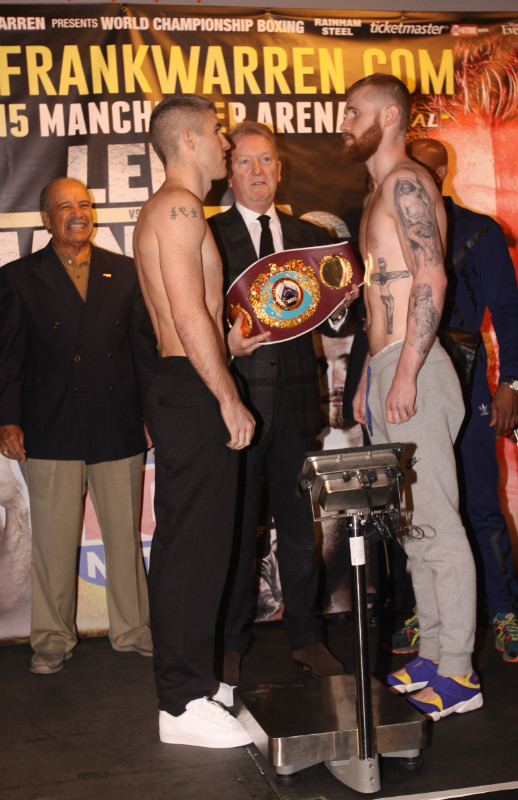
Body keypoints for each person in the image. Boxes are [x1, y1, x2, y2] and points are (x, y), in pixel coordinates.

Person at [343, 74, 482, 720]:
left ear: (390, 115)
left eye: (353, 111)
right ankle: (432, 655)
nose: (342, 123)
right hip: (389, 368)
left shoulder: (403, 183)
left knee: (436, 524)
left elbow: (430, 273)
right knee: (410, 526)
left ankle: (458, 671)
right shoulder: (377, 191)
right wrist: (369, 380)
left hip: (414, 369)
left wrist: (405, 371)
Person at [209, 121, 356, 686]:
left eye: (266, 160)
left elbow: (333, 312)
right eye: (245, 162)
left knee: (300, 531)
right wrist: (226, 343)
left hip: (295, 404)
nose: (258, 172)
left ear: (280, 167)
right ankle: (226, 643)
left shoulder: (304, 235)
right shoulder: (211, 234)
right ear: (229, 172)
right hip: (237, 406)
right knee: (235, 531)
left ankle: (307, 639)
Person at [133, 95, 256, 749]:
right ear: (185, 139)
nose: (226, 144)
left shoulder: (176, 211)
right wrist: (227, 396)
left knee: (203, 543)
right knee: (191, 545)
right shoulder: (178, 208)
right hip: (189, 389)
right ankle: (178, 705)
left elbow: (198, 320)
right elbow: (185, 317)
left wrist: (231, 352)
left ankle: (191, 689)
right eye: (216, 133)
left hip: (187, 383)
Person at [0, 177, 156, 674]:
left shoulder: (126, 273)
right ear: (46, 220)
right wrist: (8, 420)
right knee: (51, 541)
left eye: (84, 204)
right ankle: (50, 639)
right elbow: (8, 359)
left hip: (117, 423)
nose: (77, 213)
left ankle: (132, 629)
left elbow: (142, 352)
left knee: (123, 537)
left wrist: (150, 413)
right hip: (51, 426)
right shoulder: (18, 277)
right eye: (64, 207)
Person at [390, 138, 518, 663]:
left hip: (467, 384)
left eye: (422, 168)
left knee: (478, 503)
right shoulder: (389, 229)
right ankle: (420, 612)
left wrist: (511, 382)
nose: (411, 179)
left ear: (443, 171)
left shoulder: (478, 231)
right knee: (415, 508)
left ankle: (502, 612)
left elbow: (509, 312)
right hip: (405, 385)